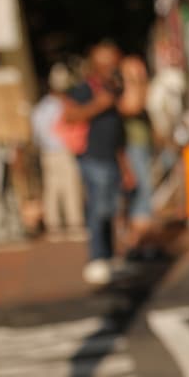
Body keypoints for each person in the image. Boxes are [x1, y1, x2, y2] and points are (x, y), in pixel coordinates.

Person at [63, 41, 133, 286]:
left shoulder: (112, 90)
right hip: (92, 157)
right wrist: (98, 105)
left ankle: (109, 256)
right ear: (96, 66)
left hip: (111, 157)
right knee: (99, 208)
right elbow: (69, 115)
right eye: (107, 64)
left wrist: (124, 163)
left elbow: (118, 131)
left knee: (111, 208)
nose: (112, 69)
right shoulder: (84, 89)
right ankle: (96, 257)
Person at [31, 64, 84, 239]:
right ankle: (74, 224)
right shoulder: (63, 106)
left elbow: (36, 134)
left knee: (51, 189)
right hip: (63, 150)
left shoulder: (40, 108)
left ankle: (53, 226)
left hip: (47, 152)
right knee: (70, 187)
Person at [118, 54, 157, 258]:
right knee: (141, 193)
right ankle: (136, 243)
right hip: (133, 148)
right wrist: (137, 83)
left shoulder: (139, 88)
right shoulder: (124, 91)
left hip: (143, 146)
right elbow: (134, 106)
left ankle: (141, 243)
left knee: (145, 192)